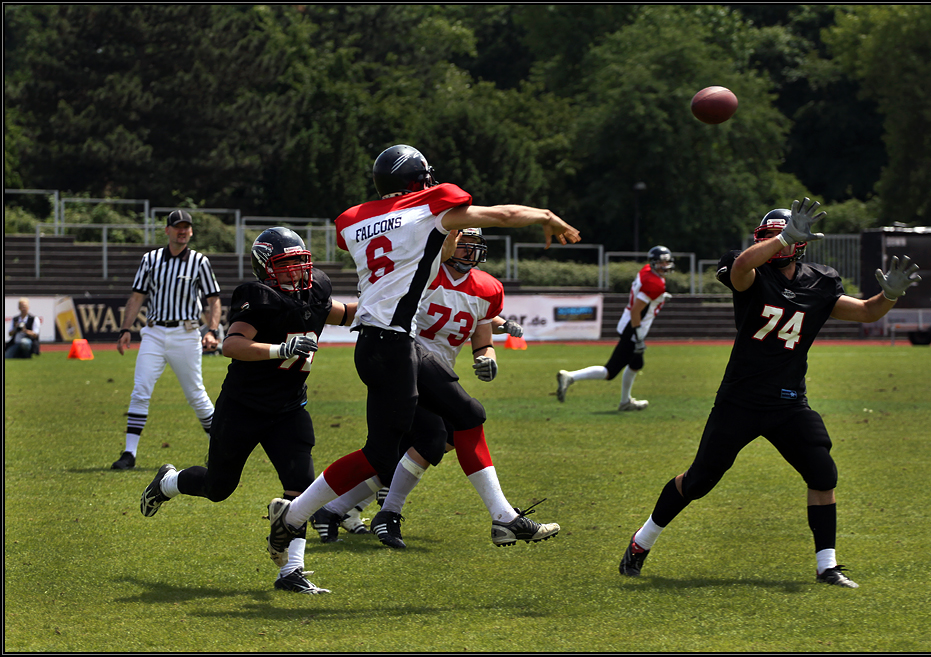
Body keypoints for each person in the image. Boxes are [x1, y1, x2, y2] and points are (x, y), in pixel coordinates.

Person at [265, 143, 580, 568]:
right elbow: (501, 216)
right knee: (378, 454)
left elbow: (403, 245)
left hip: (390, 344)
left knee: (467, 413)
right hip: (390, 345)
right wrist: (544, 216)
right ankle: (296, 513)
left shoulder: (355, 221)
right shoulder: (427, 207)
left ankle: (503, 517)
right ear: (419, 180)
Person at [618, 198, 922, 588]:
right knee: (699, 481)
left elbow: (865, 312)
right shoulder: (748, 271)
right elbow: (742, 266)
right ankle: (642, 541)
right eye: (770, 236)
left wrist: (890, 295)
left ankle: (826, 566)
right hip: (741, 399)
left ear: (802, 242)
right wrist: (783, 238)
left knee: (822, 471)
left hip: (789, 402)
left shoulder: (820, 281)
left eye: (785, 236)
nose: (775, 242)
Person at [139, 227, 356, 594]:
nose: (296, 273)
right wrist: (279, 350)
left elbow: (344, 314)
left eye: (299, 264)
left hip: (289, 409)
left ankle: (292, 570)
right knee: (217, 487)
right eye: (286, 266)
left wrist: (386, 303)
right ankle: (168, 482)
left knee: (300, 487)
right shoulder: (259, 298)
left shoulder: (315, 291)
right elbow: (233, 344)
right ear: (265, 269)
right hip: (244, 407)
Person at [311, 228, 559, 549]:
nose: (468, 252)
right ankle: (378, 513)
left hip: (437, 379)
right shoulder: (421, 274)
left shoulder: (487, 289)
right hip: (404, 370)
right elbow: (375, 307)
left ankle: (335, 510)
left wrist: (487, 359)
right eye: (461, 243)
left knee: (407, 452)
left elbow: (482, 341)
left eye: (473, 246)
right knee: (434, 437)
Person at [112, 210, 222, 470]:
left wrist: (213, 330)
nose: (182, 231)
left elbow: (213, 299)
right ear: (167, 230)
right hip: (154, 332)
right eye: (177, 227)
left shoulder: (199, 261)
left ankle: (221, 449)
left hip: (185, 333)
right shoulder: (150, 259)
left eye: (186, 227)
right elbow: (137, 296)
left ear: (191, 231)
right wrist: (125, 329)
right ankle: (129, 453)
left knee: (196, 394)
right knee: (140, 390)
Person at [556, 246, 674, 411]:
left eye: (666, 262)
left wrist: (659, 298)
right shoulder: (654, 283)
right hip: (633, 327)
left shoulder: (647, 271)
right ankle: (570, 377)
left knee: (636, 363)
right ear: (653, 263)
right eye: (661, 262)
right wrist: (639, 338)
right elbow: (636, 311)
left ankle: (626, 401)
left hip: (629, 323)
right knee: (610, 371)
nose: (665, 266)